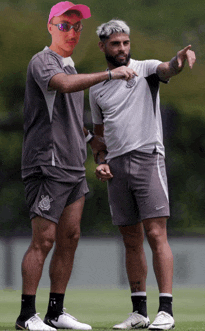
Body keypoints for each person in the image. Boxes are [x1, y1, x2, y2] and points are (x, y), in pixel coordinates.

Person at [16, 3, 137, 331]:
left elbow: (70, 117)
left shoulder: (70, 65)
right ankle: (27, 315)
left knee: (70, 236)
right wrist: (111, 73)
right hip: (47, 163)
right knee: (44, 239)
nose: (71, 31)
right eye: (64, 25)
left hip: (72, 165)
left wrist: (92, 140)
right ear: (51, 27)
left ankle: (56, 312)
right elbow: (65, 86)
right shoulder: (44, 62)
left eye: (76, 26)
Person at [89, 19, 196, 330]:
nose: (122, 49)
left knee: (155, 234)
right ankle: (139, 311)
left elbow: (166, 69)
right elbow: (100, 136)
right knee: (130, 239)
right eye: (115, 44)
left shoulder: (146, 68)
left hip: (148, 159)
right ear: (103, 47)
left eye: (125, 43)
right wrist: (100, 159)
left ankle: (166, 311)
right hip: (117, 167)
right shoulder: (96, 87)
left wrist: (177, 62)